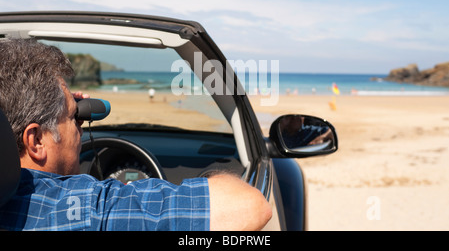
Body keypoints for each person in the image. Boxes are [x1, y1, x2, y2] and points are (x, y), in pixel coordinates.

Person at [0, 38, 271, 231]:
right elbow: (250, 208)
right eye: (74, 118)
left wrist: (64, 112)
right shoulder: (83, 210)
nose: (79, 130)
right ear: (36, 141)